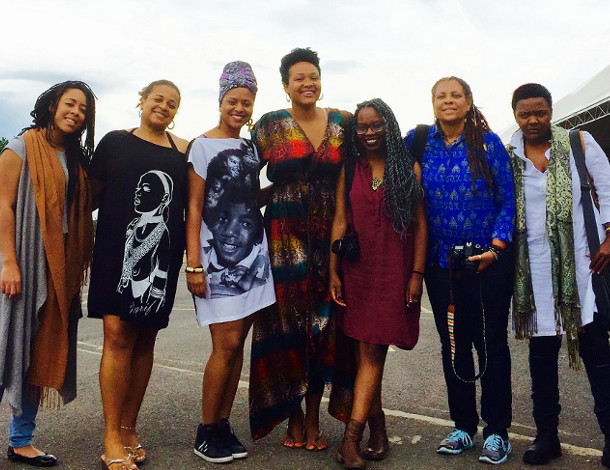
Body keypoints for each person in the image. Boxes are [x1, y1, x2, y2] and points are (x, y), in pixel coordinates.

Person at [404, 76, 515, 464]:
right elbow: (376, 150)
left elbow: (507, 200)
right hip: (441, 265)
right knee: (453, 344)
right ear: (432, 102)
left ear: (468, 102)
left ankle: (497, 431)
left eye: (456, 95)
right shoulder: (418, 142)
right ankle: (464, 426)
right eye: (441, 96)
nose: (448, 101)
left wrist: (497, 248)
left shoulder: (489, 144)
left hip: (487, 264)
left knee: (491, 344)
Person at [249, 47, 353, 450]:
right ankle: (291, 416)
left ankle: (313, 419)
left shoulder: (342, 122)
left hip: (329, 232)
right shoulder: (270, 124)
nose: (308, 83)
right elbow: (245, 176)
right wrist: (266, 197)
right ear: (285, 85)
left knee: (322, 327)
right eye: (299, 78)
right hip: (282, 235)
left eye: (314, 76)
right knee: (285, 324)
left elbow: (349, 179)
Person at [88, 80, 189, 470]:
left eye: (172, 103)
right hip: (114, 252)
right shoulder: (115, 142)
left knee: (145, 340)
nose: (163, 106)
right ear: (142, 101)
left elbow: (196, 203)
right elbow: (90, 197)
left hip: (163, 257)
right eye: (157, 99)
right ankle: (111, 436)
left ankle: (129, 427)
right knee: (117, 336)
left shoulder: (184, 151)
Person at [507, 83, 610, 467]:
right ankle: (547, 437)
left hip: (582, 266)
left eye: (540, 113)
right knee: (541, 358)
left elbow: (608, 188)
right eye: (525, 114)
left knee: (598, 354)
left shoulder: (578, 143)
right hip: (533, 270)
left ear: (551, 112)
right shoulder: (509, 157)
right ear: (515, 116)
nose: (533, 120)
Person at [0, 81, 96, 467]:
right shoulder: (22, 146)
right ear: (52, 104)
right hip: (23, 261)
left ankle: (21, 440)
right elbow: (3, 205)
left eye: (83, 109)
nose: (76, 112)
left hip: (59, 268)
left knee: (40, 352)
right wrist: (8, 262)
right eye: (70, 104)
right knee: (7, 346)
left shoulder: (76, 158)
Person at [329, 99, 427, 469]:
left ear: (389, 125)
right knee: (363, 354)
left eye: (376, 125)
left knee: (371, 353)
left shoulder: (408, 168)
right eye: (362, 127)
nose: (369, 132)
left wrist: (416, 275)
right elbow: (340, 220)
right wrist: (333, 271)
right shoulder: (349, 167)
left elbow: (420, 225)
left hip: (393, 270)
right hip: (357, 270)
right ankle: (378, 429)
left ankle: (349, 441)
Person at [186, 61, 275, 464]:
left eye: (246, 102)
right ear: (220, 101)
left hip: (255, 258)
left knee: (237, 345)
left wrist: (282, 186)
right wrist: (194, 264)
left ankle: (222, 424)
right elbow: (194, 208)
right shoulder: (202, 146)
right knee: (225, 345)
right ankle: (206, 430)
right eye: (233, 101)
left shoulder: (251, 148)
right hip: (212, 262)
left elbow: (248, 200)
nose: (239, 108)